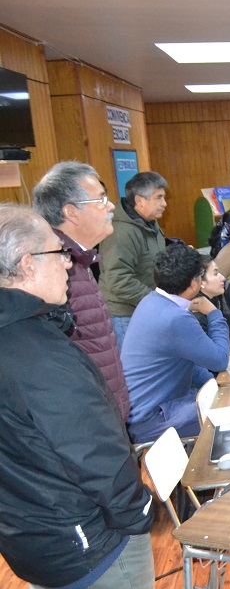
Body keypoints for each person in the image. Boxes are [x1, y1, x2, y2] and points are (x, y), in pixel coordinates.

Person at [0, 205, 164, 589]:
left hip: (32, 544)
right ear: (27, 264)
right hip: (89, 544)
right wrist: (140, 512)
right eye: (60, 254)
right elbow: (95, 454)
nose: (70, 262)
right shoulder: (38, 353)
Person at [32, 161, 130, 422]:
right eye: (101, 199)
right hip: (91, 420)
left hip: (105, 415)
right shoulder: (56, 270)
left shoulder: (78, 262)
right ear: (71, 212)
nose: (111, 206)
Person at [122, 244, 230, 444]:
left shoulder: (151, 301)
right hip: (154, 420)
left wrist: (217, 386)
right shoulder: (176, 318)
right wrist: (214, 313)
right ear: (194, 284)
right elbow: (220, 360)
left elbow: (190, 362)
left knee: (227, 401)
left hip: (151, 411)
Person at [99, 170, 168, 350]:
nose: (164, 204)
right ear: (139, 200)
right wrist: (155, 300)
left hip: (144, 309)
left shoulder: (149, 223)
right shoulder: (121, 232)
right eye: (159, 198)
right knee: (135, 374)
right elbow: (118, 280)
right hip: (125, 316)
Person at [194, 255, 230, 342]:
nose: (223, 278)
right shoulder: (197, 317)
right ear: (201, 281)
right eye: (215, 274)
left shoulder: (216, 299)